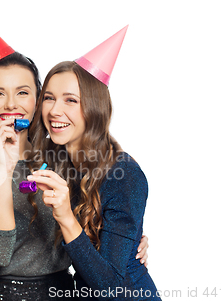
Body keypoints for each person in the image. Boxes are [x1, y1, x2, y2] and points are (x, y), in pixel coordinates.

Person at [0, 13, 149, 300]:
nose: (12, 104)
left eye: (23, 92)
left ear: (33, 100)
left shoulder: (81, 162)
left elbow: (111, 272)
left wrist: (131, 243)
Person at [27, 27, 160, 300]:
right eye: (49, 98)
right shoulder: (58, 160)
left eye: (71, 100)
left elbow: (110, 286)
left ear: (94, 107)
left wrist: (65, 216)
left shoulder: (124, 175)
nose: (54, 110)